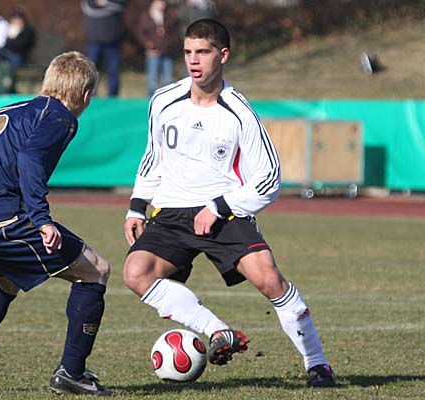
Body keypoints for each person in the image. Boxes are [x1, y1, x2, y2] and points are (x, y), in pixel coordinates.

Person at [122, 19, 336, 388]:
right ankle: (219, 331)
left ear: (222, 55)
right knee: (135, 273)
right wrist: (137, 206)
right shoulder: (163, 101)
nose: (193, 60)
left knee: (270, 280)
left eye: (202, 52)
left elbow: (269, 178)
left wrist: (219, 207)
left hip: (224, 213)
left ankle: (317, 364)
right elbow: (152, 157)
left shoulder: (239, 113)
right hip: (170, 213)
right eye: (188, 52)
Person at [0, 51, 113, 396]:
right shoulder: (60, 116)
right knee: (95, 270)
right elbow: (31, 159)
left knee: (6, 279)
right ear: (85, 93)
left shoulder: (12, 110)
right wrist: (41, 220)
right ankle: (72, 373)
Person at [81, 0, 127, 97]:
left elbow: (121, 5)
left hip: (113, 43)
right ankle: (90, 96)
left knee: (113, 72)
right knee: (90, 71)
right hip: (94, 42)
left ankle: (113, 97)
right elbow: (88, 7)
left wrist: (105, 3)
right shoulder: (89, 3)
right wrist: (104, 5)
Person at [135, 0, 180, 97]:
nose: (161, 5)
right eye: (159, 2)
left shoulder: (169, 17)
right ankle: (150, 101)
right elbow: (140, 33)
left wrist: (170, 44)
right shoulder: (146, 17)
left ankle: (167, 101)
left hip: (166, 52)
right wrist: (147, 44)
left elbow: (174, 33)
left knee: (167, 80)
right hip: (153, 53)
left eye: (162, 3)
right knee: (152, 81)